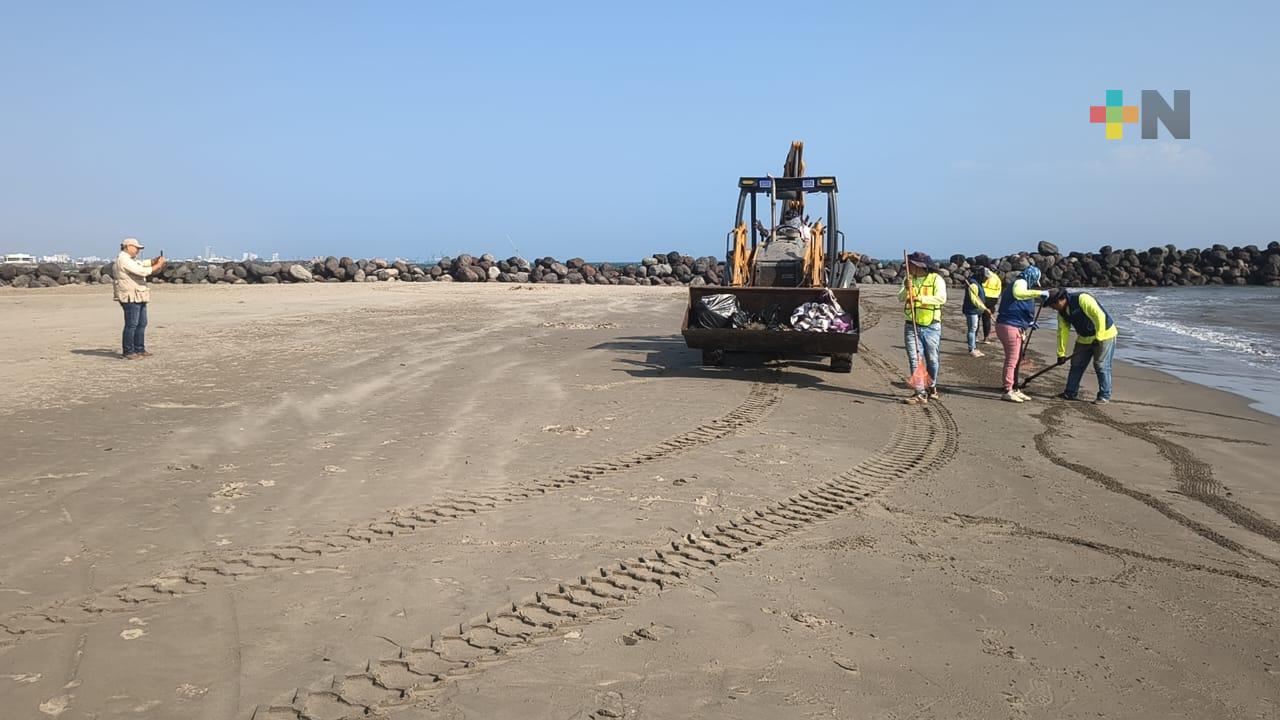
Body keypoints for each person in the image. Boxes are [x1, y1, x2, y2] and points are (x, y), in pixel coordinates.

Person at [1044, 288, 1118, 404]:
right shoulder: (1062, 314)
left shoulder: (1082, 299)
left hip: (1105, 334)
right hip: (1084, 338)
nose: (1053, 308)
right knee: (1076, 364)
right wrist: (1061, 354)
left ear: (1060, 299)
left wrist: (1099, 337)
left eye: (1053, 305)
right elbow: (1062, 333)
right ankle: (1070, 392)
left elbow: (1099, 316)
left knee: (1101, 365)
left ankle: (1104, 395)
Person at [897, 251, 946, 404]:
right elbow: (900, 298)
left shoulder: (936, 279)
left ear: (920, 266)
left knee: (932, 359)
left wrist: (919, 298)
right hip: (911, 325)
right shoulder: (908, 279)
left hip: (931, 326)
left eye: (911, 265)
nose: (908, 268)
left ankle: (931, 385)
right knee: (915, 359)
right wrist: (906, 289)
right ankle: (920, 392)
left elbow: (941, 298)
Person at [994, 265, 1048, 402]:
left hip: (1012, 325)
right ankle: (1008, 390)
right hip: (1010, 326)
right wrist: (1039, 293)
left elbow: (1017, 304)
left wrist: (1028, 323)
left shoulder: (1021, 284)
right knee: (1012, 360)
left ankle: (1014, 388)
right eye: (1035, 282)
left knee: (1016, 359)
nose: (1034, 285)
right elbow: (1019, 294)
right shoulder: (1020, 283)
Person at [113, 238, 165, 359]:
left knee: (141, 323)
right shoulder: (123, 260)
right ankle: (128, 351)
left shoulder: (130, 260)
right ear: (128, 247)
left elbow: (142, 264)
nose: (138, 251)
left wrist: (153, 261)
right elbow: (141, 271)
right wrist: (158, 265)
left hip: (138, 295)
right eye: (136, 248)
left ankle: (139, 349)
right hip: (130, 296)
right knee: (132, 324)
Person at [962, 271, 992, 357]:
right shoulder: (973, 284)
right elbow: (974, 299)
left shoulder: (978, 282)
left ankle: (974, 347)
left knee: (974, 329)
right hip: (971, 310)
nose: (986, 280)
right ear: (982, 276)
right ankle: (971, 349)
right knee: (972, 329)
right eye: (986, 278)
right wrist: (984, 308)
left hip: (976, 310)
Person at [980, 265, 1002, 343]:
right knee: (987, 319)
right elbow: (999, 290)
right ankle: (986, 338)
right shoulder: (997, 278)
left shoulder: (986, 275)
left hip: (983, 297)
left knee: (978, 316)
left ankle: (975, 336)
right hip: (993, 299)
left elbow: (981, 285)